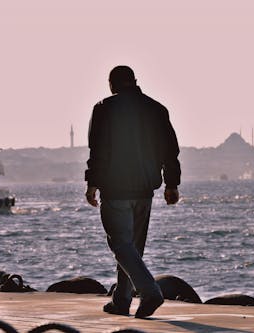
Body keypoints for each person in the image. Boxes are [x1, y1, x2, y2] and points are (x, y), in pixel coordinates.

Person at [85, 65, 181, 318]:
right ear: (135, 81)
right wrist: (172, 183)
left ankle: (150, 292)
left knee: (121, 245)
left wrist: (92, 183)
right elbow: (170, 149)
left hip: (115, 188)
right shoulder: (156, 109)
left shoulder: (104, 108)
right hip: (145, 188)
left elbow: (97, 150)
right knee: (133, 249)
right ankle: (122, 300)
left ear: (112, 84)